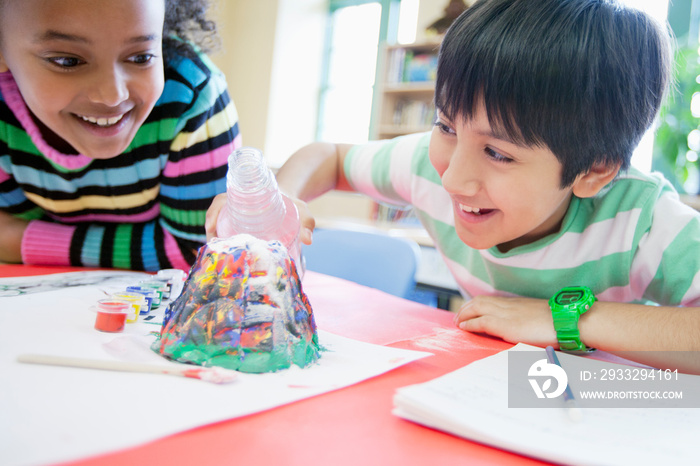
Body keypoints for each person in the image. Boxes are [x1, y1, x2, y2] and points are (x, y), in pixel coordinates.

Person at [208, 0, 700, 373]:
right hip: (493, 390)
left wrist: (564, 321)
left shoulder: (643, 220)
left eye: (499, 153)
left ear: (593, 170)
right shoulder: (427, 163)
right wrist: (284, 195)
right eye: (445, 125)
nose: (452, 177)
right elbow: (331, 156)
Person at [0, 0, 240, 271]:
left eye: (141, 57)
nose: (112, 95)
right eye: (68, 61)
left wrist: (19, 239)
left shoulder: (194, 96)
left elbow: (199, 250)